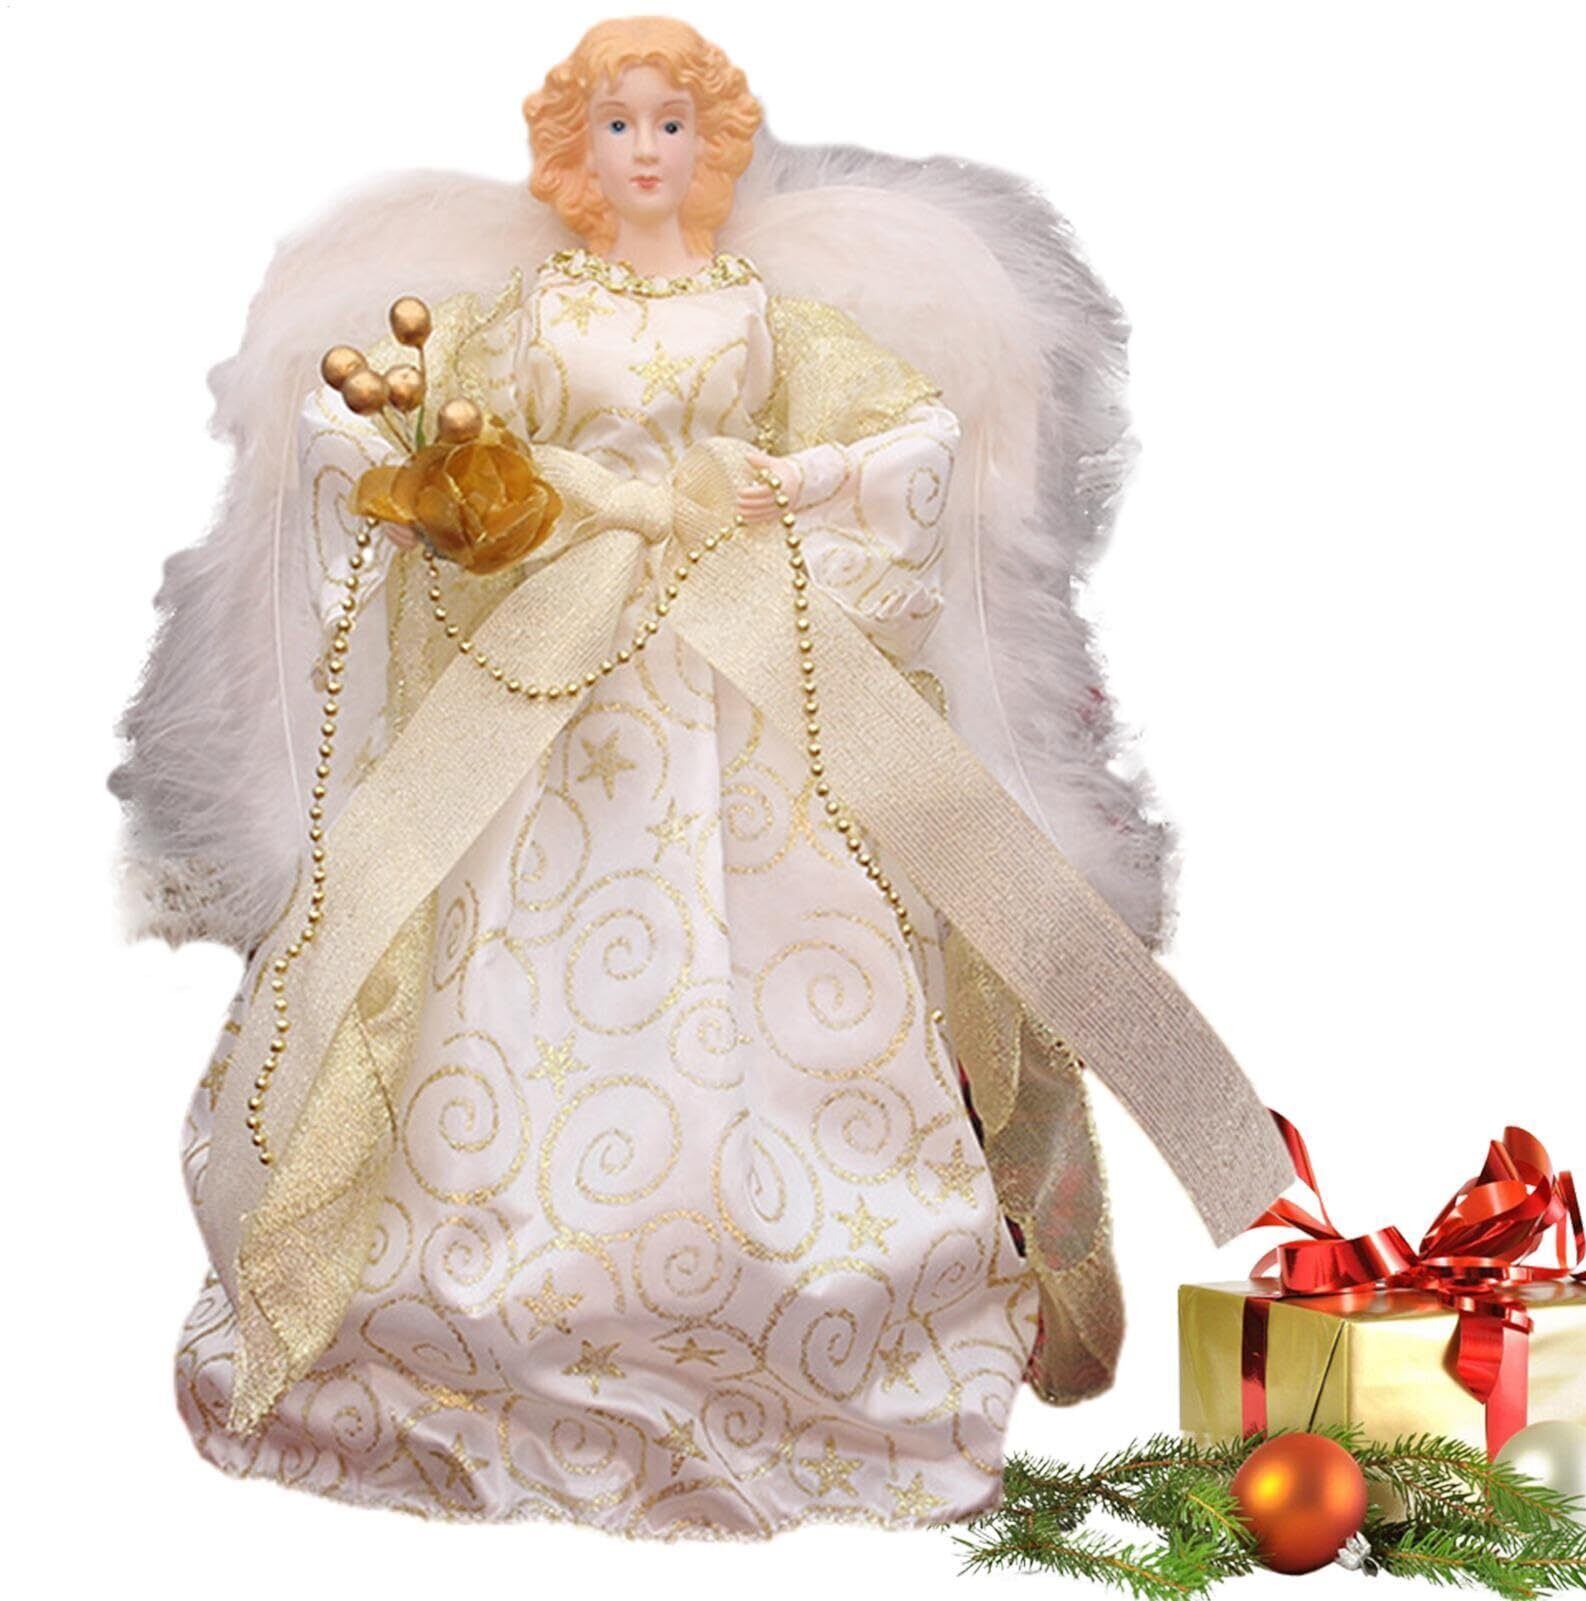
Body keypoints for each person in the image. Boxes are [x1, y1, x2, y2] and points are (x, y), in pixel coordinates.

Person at [113, 14, 1294, 1540]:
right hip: (552, 695)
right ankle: (476, 1324)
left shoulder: (760, 312)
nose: (645, 149)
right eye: (617, 123)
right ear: (575, 145)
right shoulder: (523, 311)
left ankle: (815, 1319)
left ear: (711, 142)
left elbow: (911, 440)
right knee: (492, 977)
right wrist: (434, 480)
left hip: (735, 689)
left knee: (804, 968)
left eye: (671, 122)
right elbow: (405, 439)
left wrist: (794, 479)